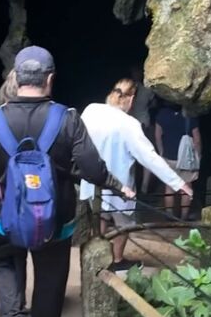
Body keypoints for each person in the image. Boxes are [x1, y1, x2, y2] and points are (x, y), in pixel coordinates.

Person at [0, 46, 134, 317]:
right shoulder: (67, 119)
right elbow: (92, 169)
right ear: (50, 79)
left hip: (4, 218)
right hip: (55, 220)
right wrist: (116, 185)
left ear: (15, 78)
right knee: (51, 276)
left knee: (3, 261)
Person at [79, 79, 193, 271]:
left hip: (93, 182)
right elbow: (149, 157)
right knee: (125, 224)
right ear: (131, 99)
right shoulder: (129, 124)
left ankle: (94, 256)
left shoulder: (91, 111)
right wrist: (179, 183)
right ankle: (116, 261)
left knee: (100, 217)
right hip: (121, 187)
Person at [155, 101, 201, 219]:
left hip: (168, 156)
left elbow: (158, 134)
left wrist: (161, 151)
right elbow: (196, 139)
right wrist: (198, 156)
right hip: (185, 159)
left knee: (169, 187)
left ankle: (169, 215)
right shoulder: (189, 115)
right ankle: (184, 217)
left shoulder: (162, 114)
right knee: (186, 188)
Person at [127, 67, 157, 193]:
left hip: (130, 125)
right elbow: (154, 104)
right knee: (146, 156)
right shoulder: (147, 89)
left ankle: (131, 185)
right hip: (143, 124)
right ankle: (144, 187)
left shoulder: (127, 89)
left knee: (130, 157)